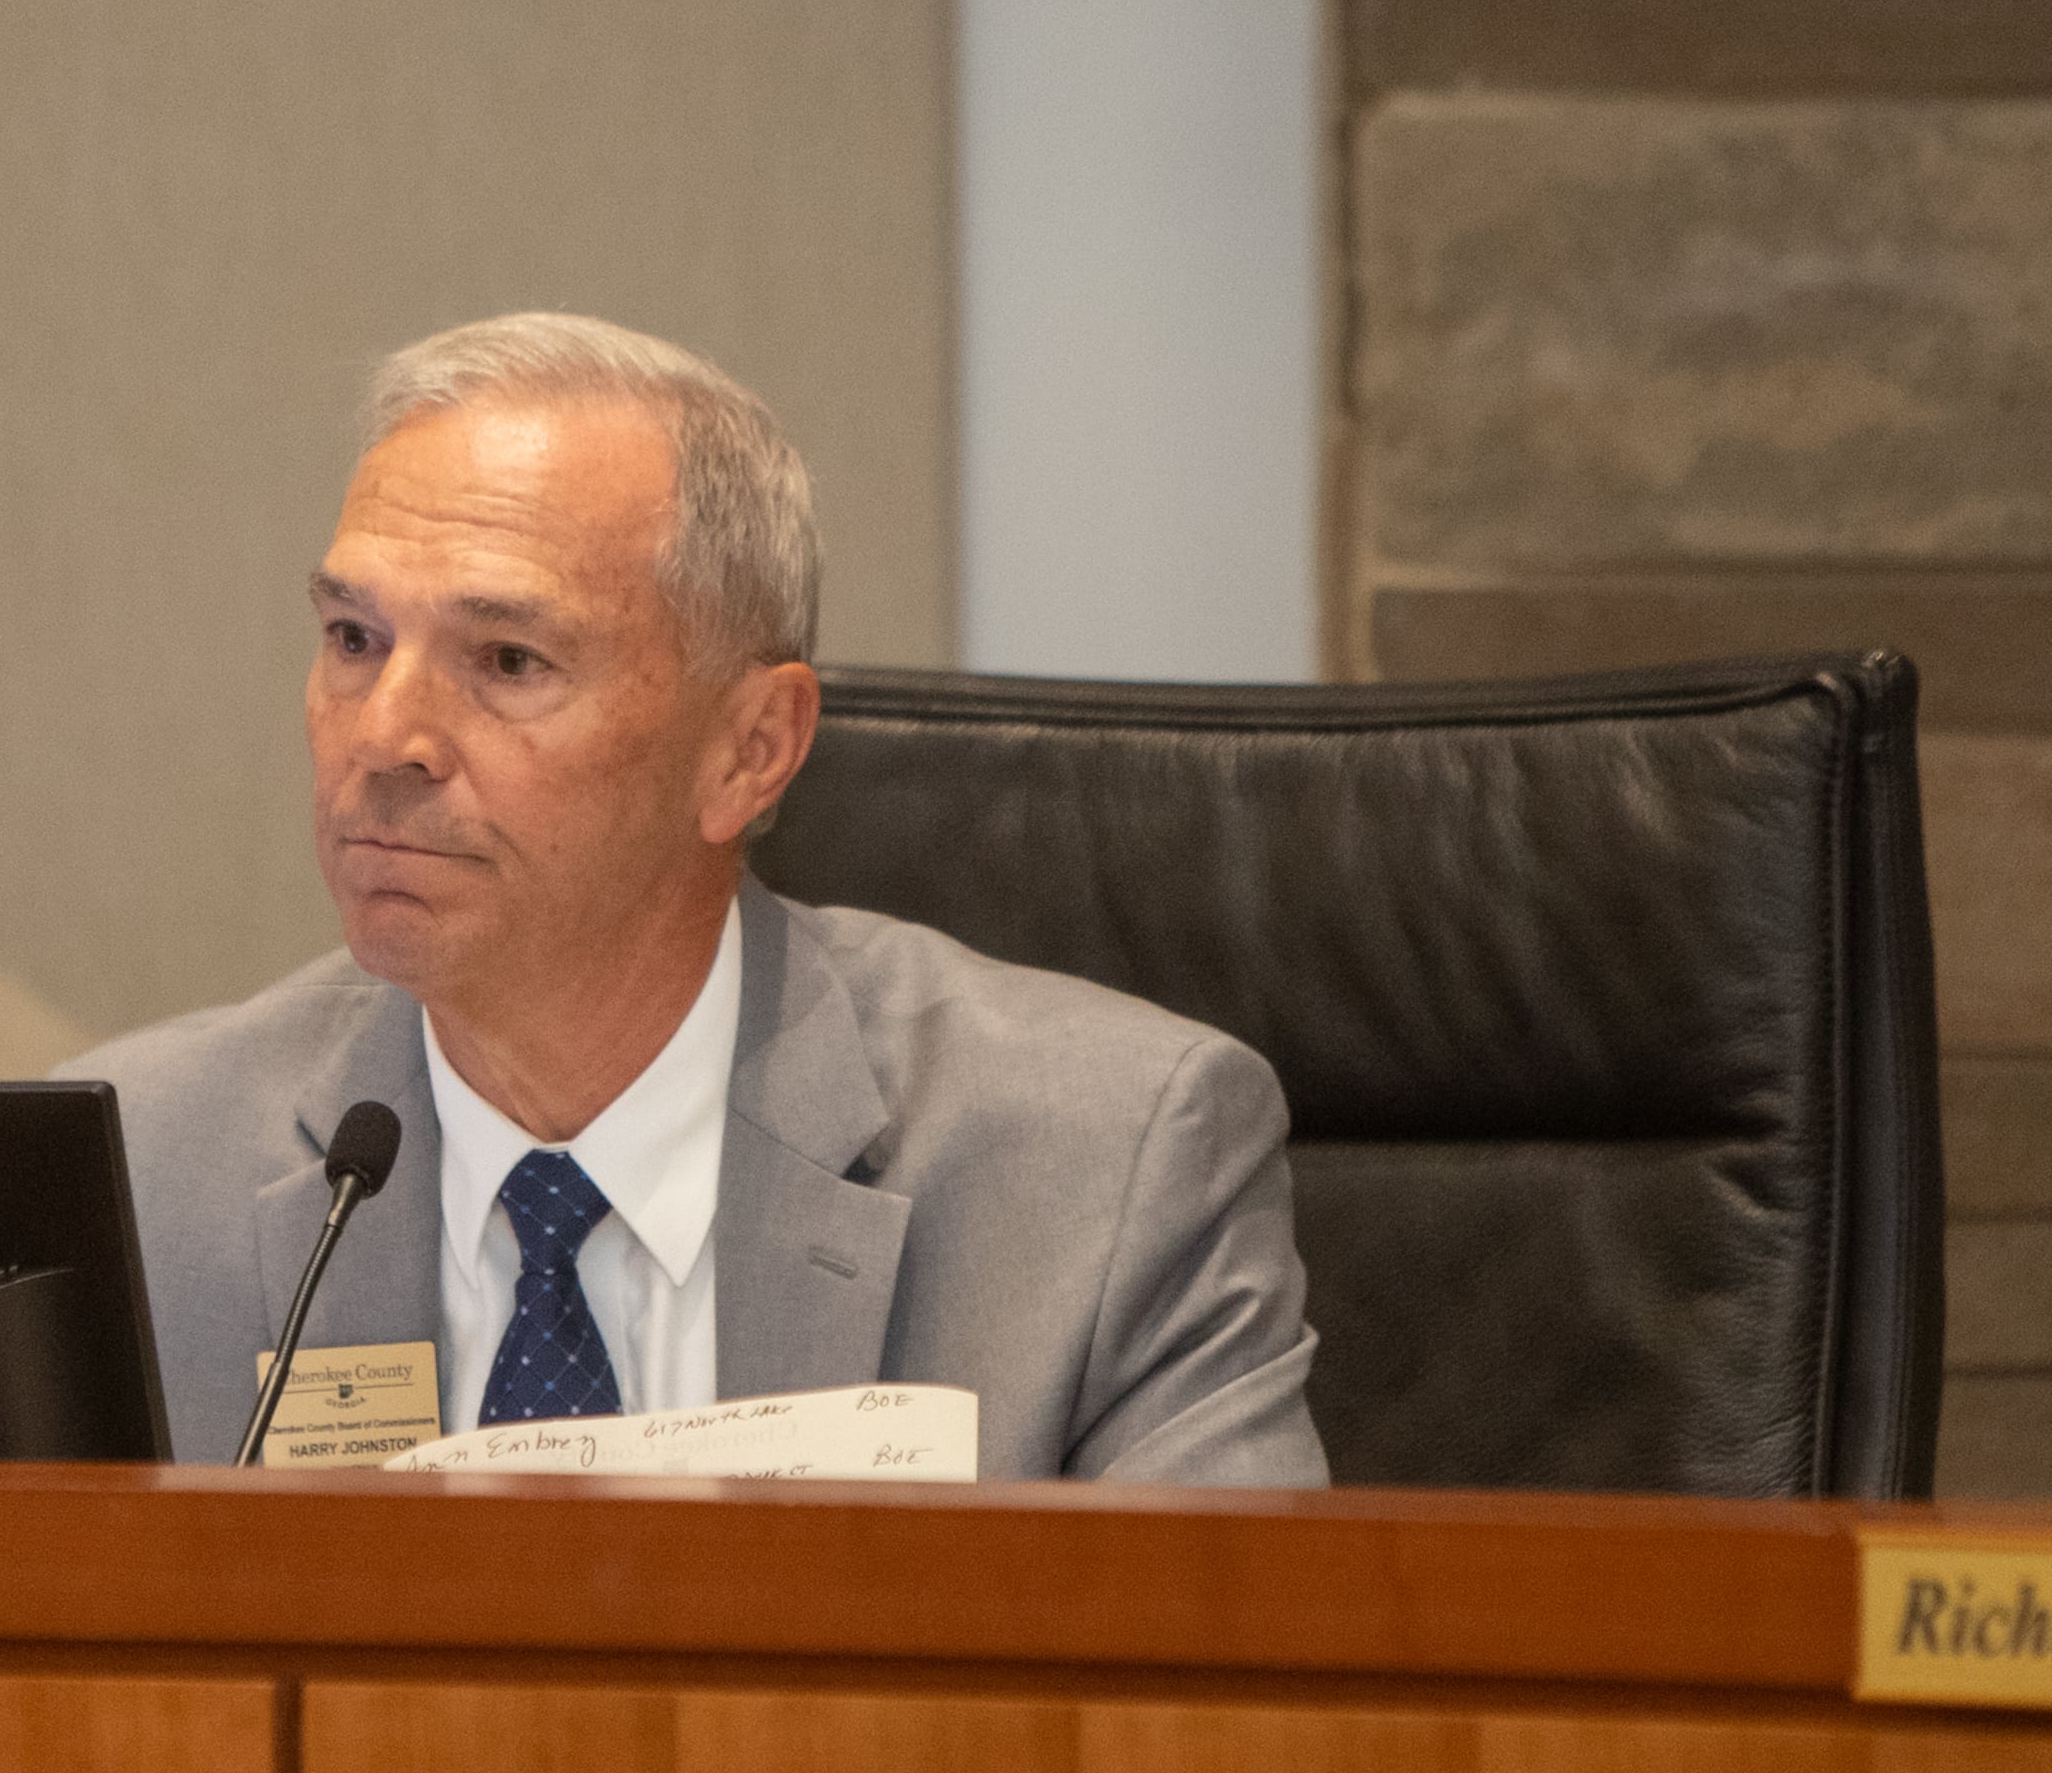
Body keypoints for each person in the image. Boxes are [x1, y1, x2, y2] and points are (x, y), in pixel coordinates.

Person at [65, 312, 1324, 1483]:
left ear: (750, 750)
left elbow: (1229, 1715)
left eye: (507, 659)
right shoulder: (132, 1174)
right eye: (353, 639)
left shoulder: (1106, 1173)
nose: (384, 735)